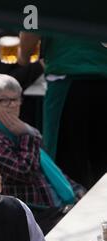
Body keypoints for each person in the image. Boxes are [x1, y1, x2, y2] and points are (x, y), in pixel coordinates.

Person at [0, 74, 85, 234]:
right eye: (4, 100)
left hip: (58, 202)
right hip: (39, 214)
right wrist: (28, 134)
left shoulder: (13, 129)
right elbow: (25, 172)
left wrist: (76, 189)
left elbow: (47, 169)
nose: (12, 105)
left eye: (16, 99)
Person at [18, 32, 107, 189]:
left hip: (68, 81)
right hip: (92, 75)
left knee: (66, 170)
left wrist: (23, 55)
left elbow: (30, 27)